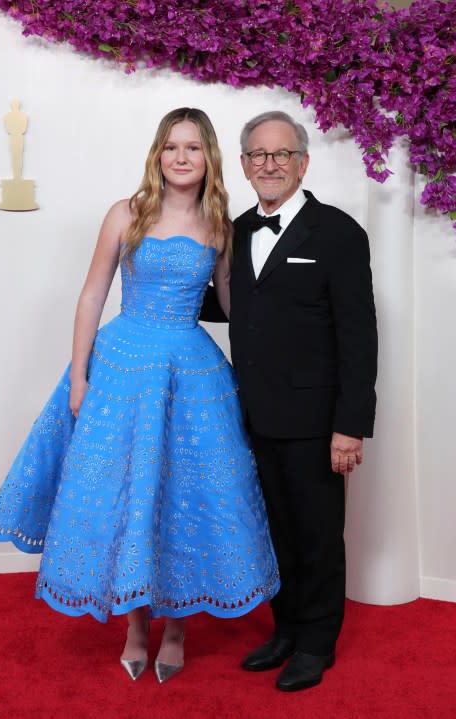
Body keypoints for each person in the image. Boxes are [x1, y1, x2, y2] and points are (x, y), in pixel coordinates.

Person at [0, 108, 280, 684]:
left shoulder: (220, 223)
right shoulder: (126, 212)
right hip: (120, 366)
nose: (181, 157)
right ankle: (135, 625)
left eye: (193, 147)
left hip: (188, 373)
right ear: (158, 154)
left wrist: (267, 368)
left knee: (181, 498)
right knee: (126, 494)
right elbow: (93, 293)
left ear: (209, 156)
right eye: (171, 147)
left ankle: (176, 629)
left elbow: (235, 308)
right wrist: (77, 375)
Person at [201, 111, 377, 691]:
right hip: (251, 416)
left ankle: (317, 644)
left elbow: (359, 335)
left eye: (281, 155)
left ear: (303, 162)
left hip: (315, 421)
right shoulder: (235, 230)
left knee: (317, 535)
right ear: (245, 165)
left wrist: (350, 426)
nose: (269, 165)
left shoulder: (339, 233)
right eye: (258, 155)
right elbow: (224, 308)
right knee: (274, 532)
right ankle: (285, 632)